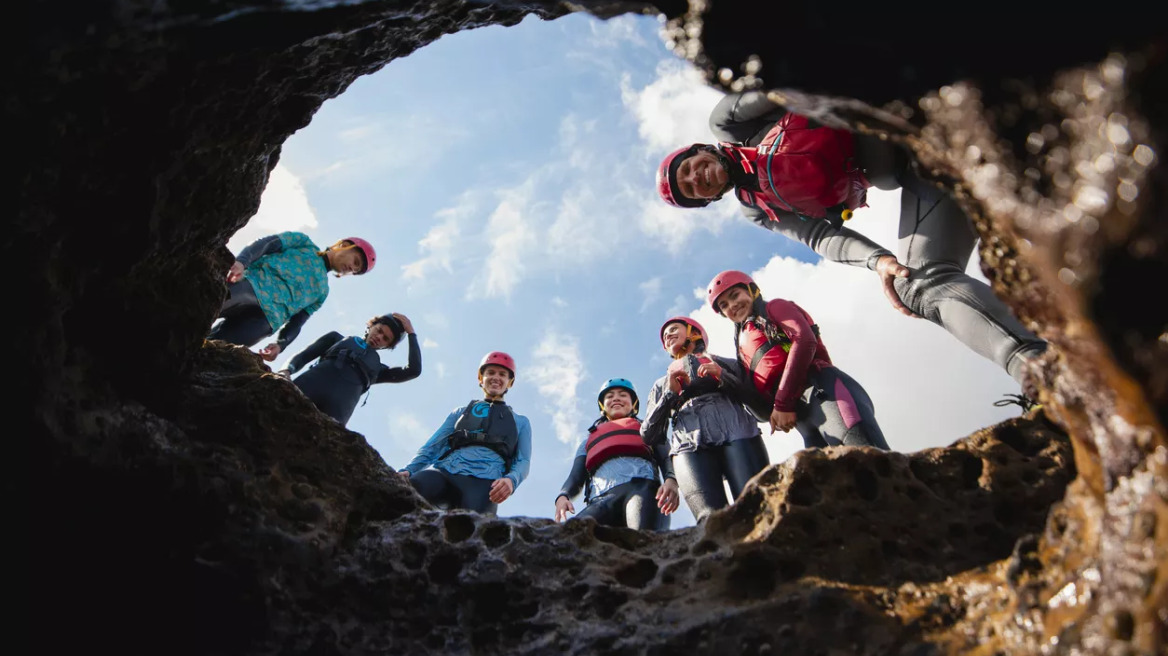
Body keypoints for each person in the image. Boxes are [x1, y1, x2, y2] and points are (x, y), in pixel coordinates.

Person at [656, 90, 1047, 396]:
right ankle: (1040, 370)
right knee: (914, 285)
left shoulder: (727, 122)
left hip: (925, 113)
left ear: (700, 149)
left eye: (688, 168)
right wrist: (878, 261)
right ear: (708, 200)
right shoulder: (756, 208)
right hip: (924, 172)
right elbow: (821, 236)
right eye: (691, 189)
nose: (696, 177)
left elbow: (785, 85)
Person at [707, 270, 890, 449]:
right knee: (823, 471)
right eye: (724, 305)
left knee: (871, 462)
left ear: (751, 290)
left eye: (735, 295)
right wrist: (724, 377)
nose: (732, 305)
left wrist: (782, 404)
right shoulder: (742, 347)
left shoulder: (775, 307)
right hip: (802, 419)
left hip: (825, 393)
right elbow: (762, 412)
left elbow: (805, 340)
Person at [640, 317, 770, 523]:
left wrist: (722, 376)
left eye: (673, 329)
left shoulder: (726, 364)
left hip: (739, 433)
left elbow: (762, 410)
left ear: (694, 333)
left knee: (757, 508)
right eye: (664, 336)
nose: (667, 336)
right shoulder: (662, 384)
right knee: (709, 521)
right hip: (688, 446)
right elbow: (649, 435)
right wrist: (669, 395)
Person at [398, 352, 532, 515]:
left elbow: (523, 460)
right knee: (414, 488)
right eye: (490, 372)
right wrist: (409, 470)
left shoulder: (521, 422)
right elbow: (433, 446)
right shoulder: (460, 413)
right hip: (445, 473)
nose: (496, 377)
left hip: (485, 484)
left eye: (502, 374)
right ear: (481, 378)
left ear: (510, 382)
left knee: (475, 525)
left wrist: (512, 480)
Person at [208, 232, 376, 361]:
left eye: (356, 271)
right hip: (251, 286)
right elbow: (267, 243)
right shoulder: (304, 243)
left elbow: (298, 321)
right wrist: (242, 262)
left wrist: (281, 345)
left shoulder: (323, 292)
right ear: (345, 245)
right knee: (202, 309)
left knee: (214, 349)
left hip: (266, 321)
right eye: (355, 262)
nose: (352, 269)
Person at [554, 378, 679, 530]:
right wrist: (563, 495)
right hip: (600, 501)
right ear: (603, 406)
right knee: (569, 534)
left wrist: (671, 480)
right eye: (610, 396)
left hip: (643, 490)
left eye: (623, 395)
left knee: (643, 538)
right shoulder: (588, 441)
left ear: (633, 404)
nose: (616, 398)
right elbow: (576, 476)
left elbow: (667, 457)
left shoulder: (649, 429)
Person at [276, 313, 421, 426]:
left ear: (387, 346)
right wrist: (285, 371)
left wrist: (411, 334)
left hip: (336, 414)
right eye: (379, 330)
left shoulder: (379, 370)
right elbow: (304, 355)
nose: (379, 337)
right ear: (372, 325)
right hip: (308, 386)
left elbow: (413, 371)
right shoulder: (336, 339)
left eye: (385, 339)